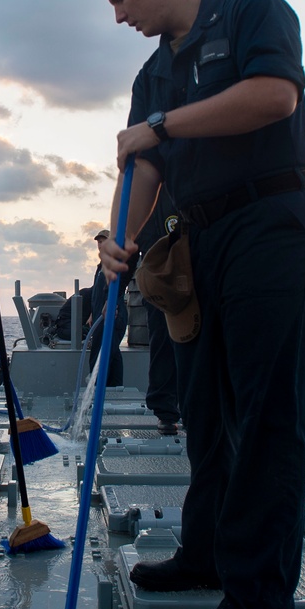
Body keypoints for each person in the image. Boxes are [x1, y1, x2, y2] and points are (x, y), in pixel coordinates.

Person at [92, 0, 305, 609]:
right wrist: (117, 244)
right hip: (196, 244)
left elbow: (271, 97)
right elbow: (148, 171)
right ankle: (207, 554)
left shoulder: (254, 11)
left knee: (266, 417)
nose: (119, 13)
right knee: (204, 411)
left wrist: (155, 127)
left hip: (271, 224)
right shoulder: (152, 74)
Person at [136, 185, 181, 434]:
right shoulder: (143, 200)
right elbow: (131, 247)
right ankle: (166, 412)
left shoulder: (187, 187)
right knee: (162, 348)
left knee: (197, 349)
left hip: (195, 283)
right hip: (158, 291)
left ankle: (196, 406)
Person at [88, 229, 127, 387]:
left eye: (104, 240)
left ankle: (97, 390)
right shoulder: (101, 266)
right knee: (113, 353)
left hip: (113, 314)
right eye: (99, 241)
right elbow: (96, 293)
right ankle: (114, 389)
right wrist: (92, 313)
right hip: (99, 315)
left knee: (101, 354)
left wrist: (113, 306)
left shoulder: (115, 262)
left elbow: (118, 288)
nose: (100, 244)